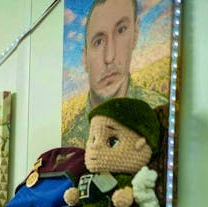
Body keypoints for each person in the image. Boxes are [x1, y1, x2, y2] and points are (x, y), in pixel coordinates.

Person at [63, 0, 167, 147]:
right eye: (98, 42)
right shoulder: (69, 141)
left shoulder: (160, 115)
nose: (109, 57)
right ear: (85, 58)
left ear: (135, 34)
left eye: (121, 30)